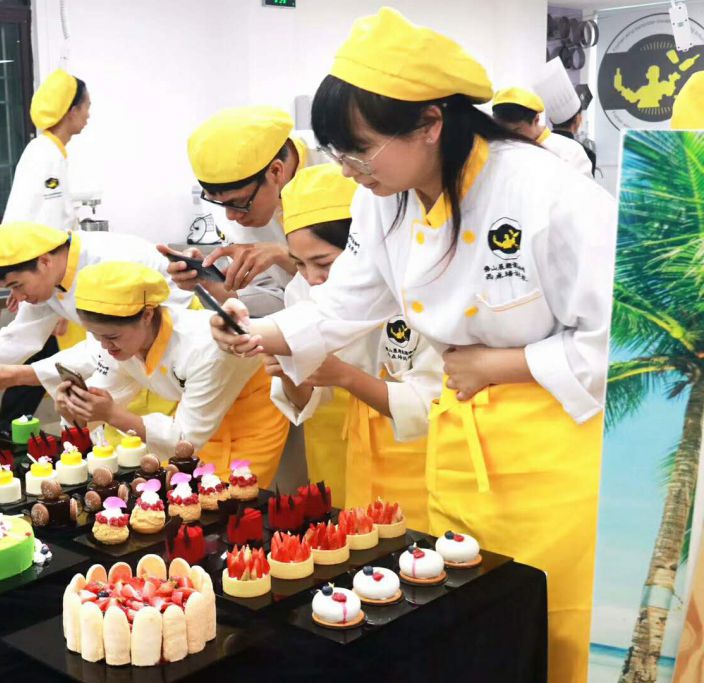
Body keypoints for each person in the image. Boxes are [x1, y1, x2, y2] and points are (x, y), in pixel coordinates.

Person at [208, 9, 615, 681]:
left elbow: (616, 343)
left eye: (360, 151)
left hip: (552, 455)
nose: (349, 171)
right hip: (456, 448)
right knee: (463, 622)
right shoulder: (385, 197)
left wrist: (500, 364)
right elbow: (348, 300)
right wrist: (258, 333)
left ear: (430, 123)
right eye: (339, 154)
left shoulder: (548, 193)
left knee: (548, 624)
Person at [265, 163, 441, 519]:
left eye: (323, 263)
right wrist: (286, 372)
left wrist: (345, 375)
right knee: (344, 532)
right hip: (335, 440)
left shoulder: (424, 290)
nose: (312, 278)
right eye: (299, 264)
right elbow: (306, 399)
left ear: (364, 251)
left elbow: (434, 400)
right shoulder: (301, 292)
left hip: (414, 447)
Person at [41, 262, 289, 485]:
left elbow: (186, 441)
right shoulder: (115, 340)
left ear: (148, 315)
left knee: (229, 496)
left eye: (112, 337)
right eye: (97, 337)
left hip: (249, 412)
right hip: (192, 410)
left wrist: (112, 414)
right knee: (180, 488)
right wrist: (74, 411)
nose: (105, 347)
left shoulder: (204, 348)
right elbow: (107, 399)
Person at [0, 222, 193, 393]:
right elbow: (24, 333)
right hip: (131, 359)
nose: (18, 297)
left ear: (43, 261)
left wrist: (19, 377)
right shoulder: (52, 276)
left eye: (18, 285)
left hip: (173, 345)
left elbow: (101, 350)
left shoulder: (106, 265)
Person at [162, 106, 321, 316]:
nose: (231, 216)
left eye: (239, 202)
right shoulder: (227, 207)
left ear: (276, 171)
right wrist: (212, 284)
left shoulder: (340, 172)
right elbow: (279, 299)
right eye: (218, 203)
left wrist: (286, 256)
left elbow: (354, 286)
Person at [3, 69, 90, 230]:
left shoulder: (46, 149)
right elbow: (52, 221)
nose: (88, 115)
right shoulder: (46, 154)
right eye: (87, 107)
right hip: (30, 245)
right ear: (73, 111)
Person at [491, 87, 592, 177]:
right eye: (503, 132)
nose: (509, 138)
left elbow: (584, 189)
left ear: (536, 120)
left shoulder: (570, 152)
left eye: (516, 130)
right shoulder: (496, 150)